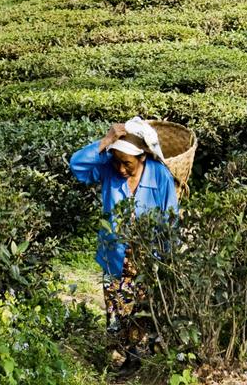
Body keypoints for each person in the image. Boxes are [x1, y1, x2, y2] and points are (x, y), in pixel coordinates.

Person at [69, 117, 178, 364]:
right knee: (116, 307)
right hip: (114, 254)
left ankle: (140, 356)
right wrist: (106, 141)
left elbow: (169, 219)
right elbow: (77, 166)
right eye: (117, 161)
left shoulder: (160, 175)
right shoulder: (108, 169)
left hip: (147, 256)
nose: (120, 168)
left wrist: (168, 257)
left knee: (142, 306)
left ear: (142, 157)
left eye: (127, 163)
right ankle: (123, 356)